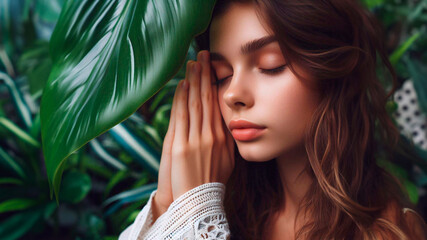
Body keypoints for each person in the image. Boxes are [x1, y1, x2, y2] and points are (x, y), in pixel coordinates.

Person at [119, 0, 427, 239]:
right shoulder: (231, 212)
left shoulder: (388, 231)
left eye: (271, 65)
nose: (232, 94)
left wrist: (195, 217)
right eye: (221, 75)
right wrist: (170, 203)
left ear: (332, 71)